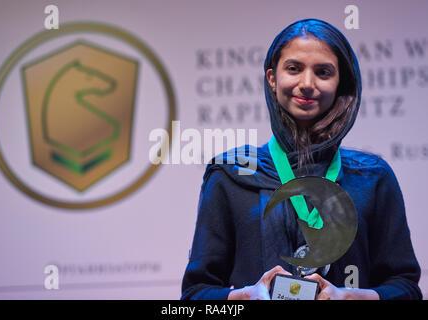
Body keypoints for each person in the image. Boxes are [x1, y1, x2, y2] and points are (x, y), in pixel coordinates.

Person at [181, 18, 422, 300]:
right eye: (294, 69)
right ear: (272, 78)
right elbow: (195, 295)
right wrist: (245, 297)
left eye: (323, 72)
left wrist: (351, 297)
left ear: (340, 81)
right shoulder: (231, 174)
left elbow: (406, 289)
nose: (307, 84)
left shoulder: (372, 177)